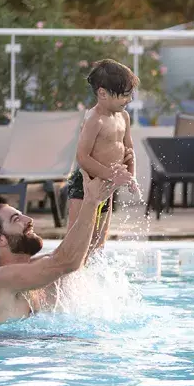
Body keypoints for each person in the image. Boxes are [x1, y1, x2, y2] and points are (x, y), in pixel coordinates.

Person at [0, 167, 133, 324]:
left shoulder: (38, 269)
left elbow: (87, 251)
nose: (29, 220)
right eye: (16, 219)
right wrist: (92, 201)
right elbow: (68, 261)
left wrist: (104, 195)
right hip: (3, 347)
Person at [66, 58, 141, 252]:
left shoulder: (123, 116)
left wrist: (130, 176)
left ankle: (87, 280)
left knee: (98, 243)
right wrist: (111, 175)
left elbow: (129, 150)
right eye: (124, 95)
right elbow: (82, 157)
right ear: (102, 93)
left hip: (107, 186)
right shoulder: (95, 120)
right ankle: (65, 280)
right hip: (86, 184)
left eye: (130, 95)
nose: (129, 100)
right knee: (76, 240)